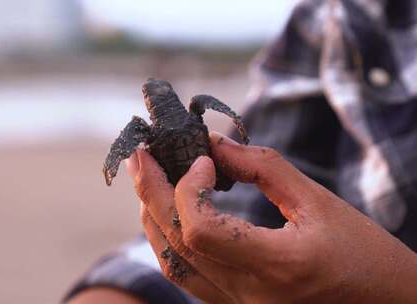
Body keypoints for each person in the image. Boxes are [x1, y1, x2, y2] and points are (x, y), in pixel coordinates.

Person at [66, 0, 417, 302]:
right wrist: (123, 290)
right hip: (204, 177)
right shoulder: (350, 11)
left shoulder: (149, 128)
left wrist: (395, 288)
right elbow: (245, 210)